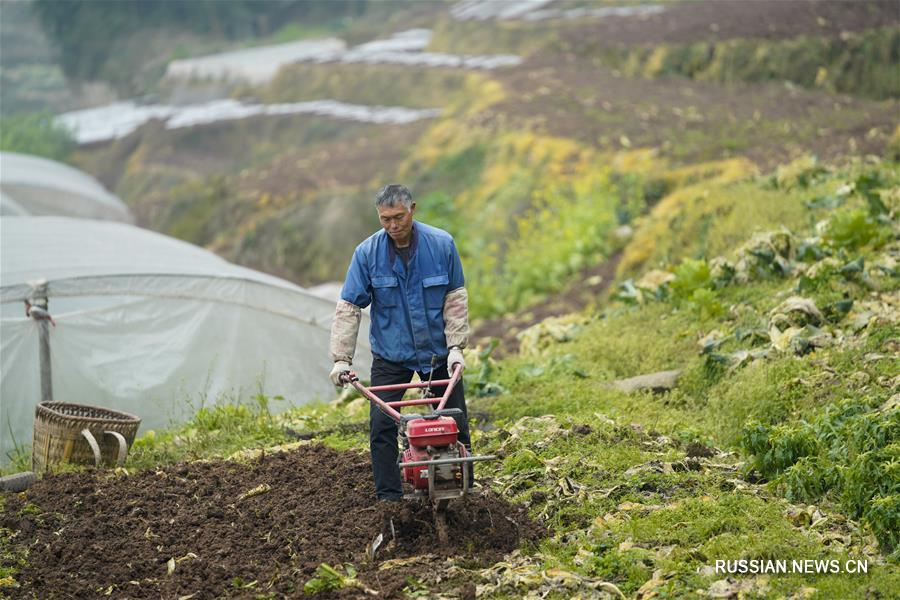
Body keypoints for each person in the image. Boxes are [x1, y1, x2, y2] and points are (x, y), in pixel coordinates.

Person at [329, 183, 471, 502]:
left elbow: (455, 299)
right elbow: (349, 307)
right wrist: (341, 359)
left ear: (412, 210)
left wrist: (456, 348)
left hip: (437, 354)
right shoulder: (367, 254)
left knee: (455, 421)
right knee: (381, 426)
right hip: (391, 355)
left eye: (398, 217)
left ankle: (463, 492)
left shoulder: (441, 245)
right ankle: (390, 500)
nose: (393, 226)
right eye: (385, 219)